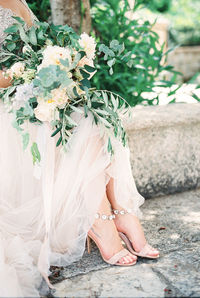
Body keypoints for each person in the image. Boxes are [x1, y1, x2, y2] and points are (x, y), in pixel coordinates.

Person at [0, 0, 159, 296]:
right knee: (78, 122)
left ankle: (121, 214)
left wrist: (59, 65)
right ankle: (103, 222)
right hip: (10, 101)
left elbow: (43, 44)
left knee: (94, 115)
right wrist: (29, 75)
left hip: (32, 92)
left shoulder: (16, 1)